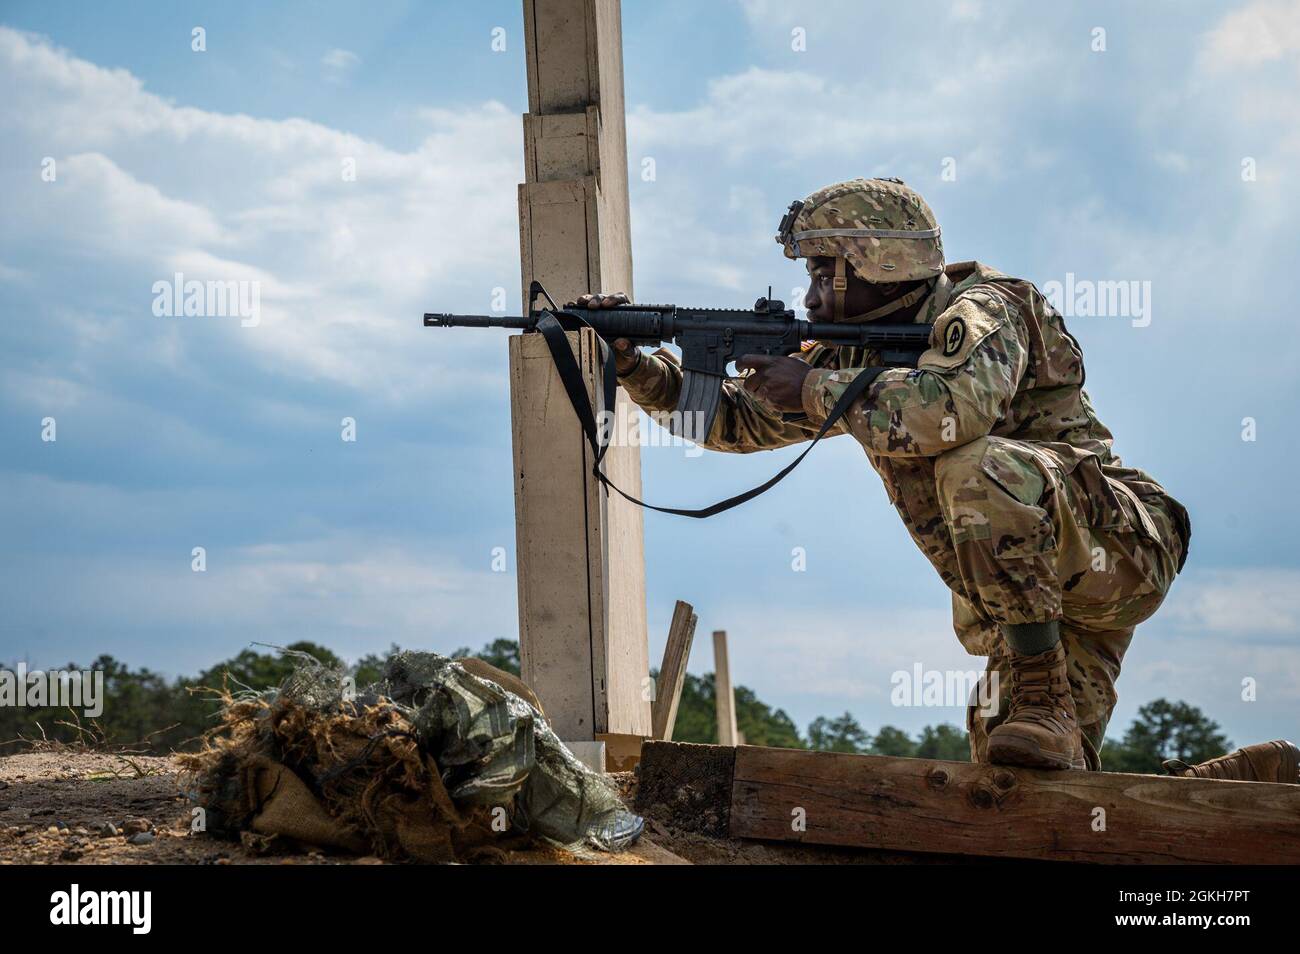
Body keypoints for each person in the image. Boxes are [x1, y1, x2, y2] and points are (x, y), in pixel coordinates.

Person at [575, 176, 1198, 772]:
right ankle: (1226, 781)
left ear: (881, 263)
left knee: (976, 467)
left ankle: (1042, 696)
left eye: (825, 272)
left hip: (1116, 548)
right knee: (1024, 785)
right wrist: (636, 368)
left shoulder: (990, 307)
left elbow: (949, 411)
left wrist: (815, 386)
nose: (812, 296)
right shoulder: (850, 351)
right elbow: (734, 423)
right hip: (1031, 604)